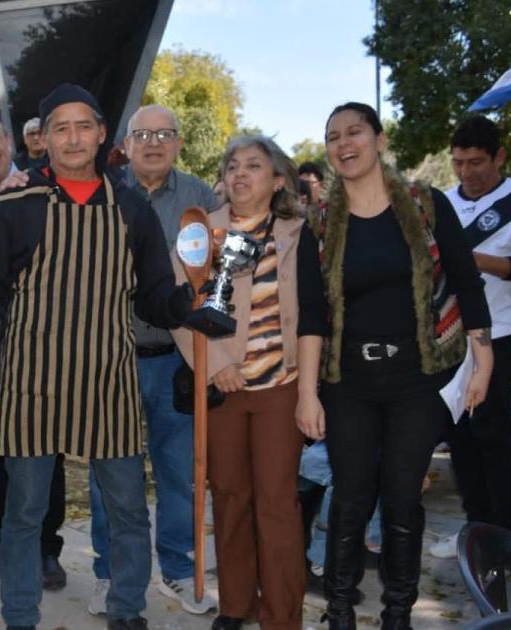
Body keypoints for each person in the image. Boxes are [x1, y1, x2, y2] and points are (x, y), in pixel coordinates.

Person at [0, 83, 197, 630]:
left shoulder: (131, 208)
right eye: (60, 128)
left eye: (83, 126)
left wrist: (187, 307)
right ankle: (20, 615)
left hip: (109, 378)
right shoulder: (15, 205)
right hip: (32, 381)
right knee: (24, 513)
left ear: (100, 134)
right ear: (42, 139)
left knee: (128, 509)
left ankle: (127, 610)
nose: (72, 137)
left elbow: (154, 294)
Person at [296, 102, 492, 630]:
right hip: (347, 383)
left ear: (379, 140)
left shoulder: (426, 206)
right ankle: (338, 612)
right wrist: (307, 394)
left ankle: (397, 615)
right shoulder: (316, 223)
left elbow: (467, 280)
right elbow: (311, 316)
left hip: (417, 380)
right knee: (351, 499)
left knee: (403, 500)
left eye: (354, 131)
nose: (343, 143)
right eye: (332, 135)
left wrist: (484, 356)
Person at [87, 103, 220, 617]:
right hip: (112, 357)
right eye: (143, 134)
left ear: (179, 143)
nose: (154, 143)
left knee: (179, 471)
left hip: (178, 357)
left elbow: (214, 277)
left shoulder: (199, 199)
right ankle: (111, 574)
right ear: (126, 142)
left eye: (165, 134)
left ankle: (179, 569)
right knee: (110, 475)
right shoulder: (102, 192)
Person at [169, 136, 306, 629]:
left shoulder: (298, 233)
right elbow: (180, 309)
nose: (240, 174)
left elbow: (315, 309)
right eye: (232, 166)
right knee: (228, 496)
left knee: (276, 501)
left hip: (280, 386)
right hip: (223, 387)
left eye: (253, 165)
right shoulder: (201, 232)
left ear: (277, 180)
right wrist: (215, 364)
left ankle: (282, 614)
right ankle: (235, 604)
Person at [428, 115, 511, 558]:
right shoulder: (444, 201)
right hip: (448, 336)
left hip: (497, 332)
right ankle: (474, 528)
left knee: (491, 435)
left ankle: (505, 533)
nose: (467, 172)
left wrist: (465, 257)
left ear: (499, 156)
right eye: (459, 162)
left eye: (476, 162)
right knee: (458, 436)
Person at [0, 106, 68, 587]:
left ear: (8, 140)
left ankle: (47, 547)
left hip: (38, 341)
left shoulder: (40, 190)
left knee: (48, 447)